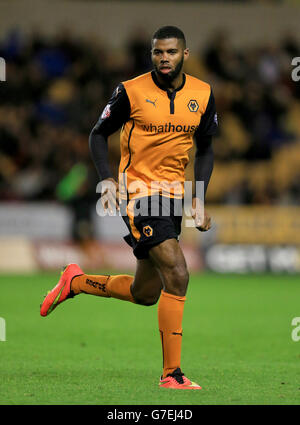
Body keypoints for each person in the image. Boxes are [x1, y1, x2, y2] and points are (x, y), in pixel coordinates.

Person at [40, 26, 218, 390]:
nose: (163, 58)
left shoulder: (203, 93)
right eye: (157, 53)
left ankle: (74, 281)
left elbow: (207, 147)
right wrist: (106, 179)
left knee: (146, 293)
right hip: (138, 193)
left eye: (170, 52)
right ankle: (172, 375)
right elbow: (97, 133)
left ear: (185, 54)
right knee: (179, 273)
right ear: (151, 55)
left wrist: (198, 197)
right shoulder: (131, 90)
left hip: (173, 196)